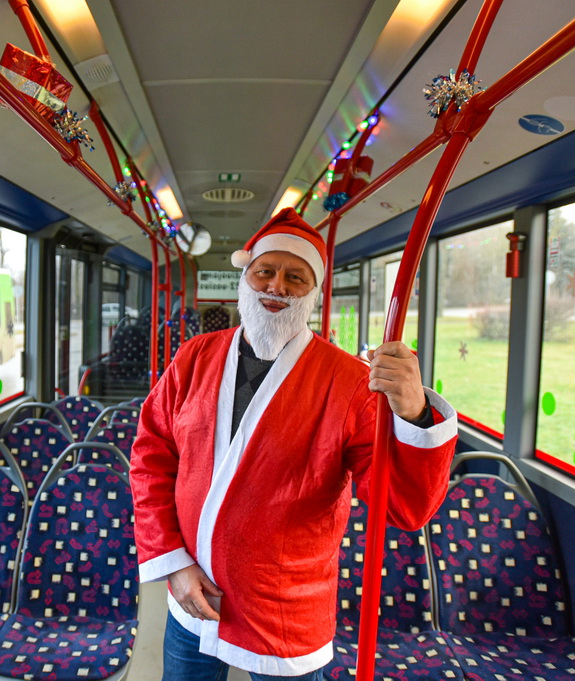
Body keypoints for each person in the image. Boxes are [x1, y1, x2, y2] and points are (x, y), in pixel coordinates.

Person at [130, 208, 458, 680]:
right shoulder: (194, 357)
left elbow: (405, 508)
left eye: (295, 277)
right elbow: (150, 458)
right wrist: (174, 564)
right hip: (191, 592)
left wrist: (414, 413)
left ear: (313, 293)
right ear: (245, 278)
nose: (277, 286)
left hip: (285, 613)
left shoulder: (349, 382)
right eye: (265, 271)